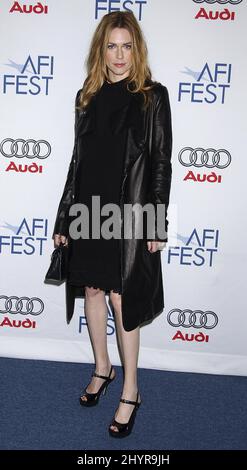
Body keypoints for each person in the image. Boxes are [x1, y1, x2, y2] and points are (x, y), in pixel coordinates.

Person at [52, 10, 172, 438]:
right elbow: (76, 163)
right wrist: (66, 215)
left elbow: (160, 161)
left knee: (123, 299)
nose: (119, 55)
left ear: (135, 49)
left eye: (126, 46)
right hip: (89, 207)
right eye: (111, 46)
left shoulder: (153, 96)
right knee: (93, 290)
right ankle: (102, 368)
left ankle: (132, 389)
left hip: (131, 212)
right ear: (100, 50)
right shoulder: (87, 97)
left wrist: (156, 221)